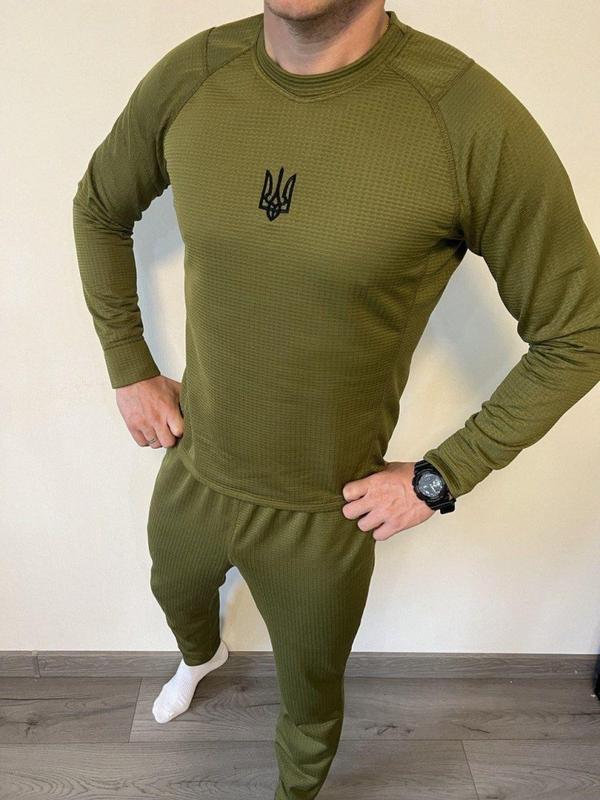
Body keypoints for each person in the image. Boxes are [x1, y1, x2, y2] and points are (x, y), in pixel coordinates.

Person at [71, 1, 600, 797]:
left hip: (323, 514)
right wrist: (127, 365)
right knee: (174, 590)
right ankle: (201, 658)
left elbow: (580, 331)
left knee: (310, 700)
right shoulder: (198, 75)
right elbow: (99, 208)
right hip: (197, 465)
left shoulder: (465, 118)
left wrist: (440, 477)